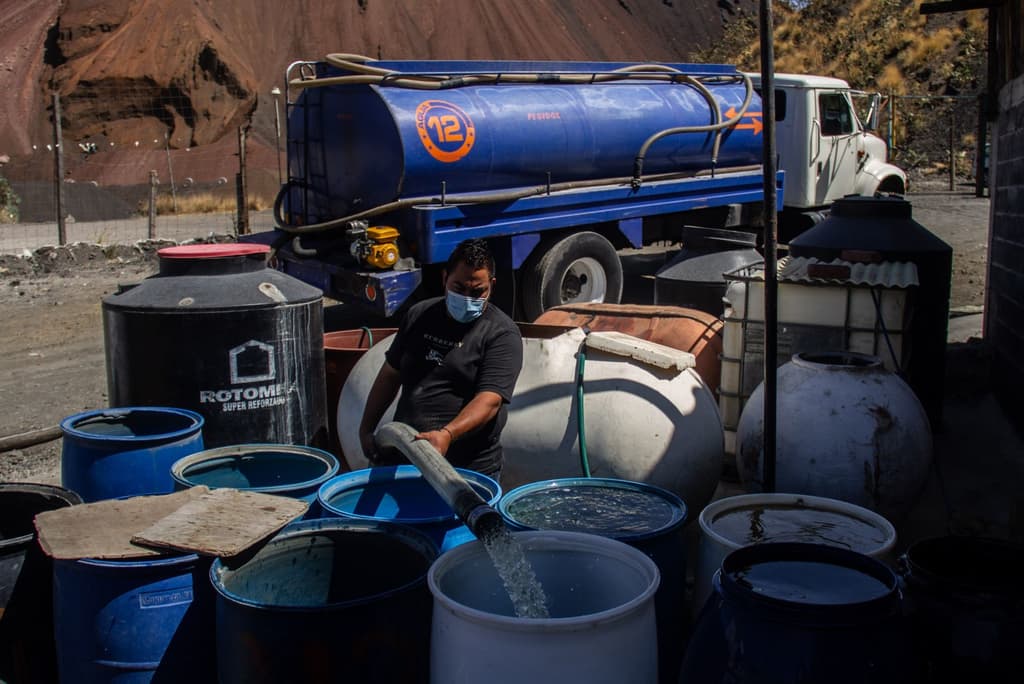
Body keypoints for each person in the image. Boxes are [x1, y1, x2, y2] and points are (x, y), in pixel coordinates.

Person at [358, 238, 523, 478]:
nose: (467, 297)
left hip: (466, 469)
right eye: (458, 288)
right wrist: (366, 429)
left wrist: (447, 434)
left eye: (477, 291)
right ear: (444, 278)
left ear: (492, 285)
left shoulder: (501, 334)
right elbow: (389, 374)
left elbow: (489, 401)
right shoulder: (419, 315)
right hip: (406, 456)